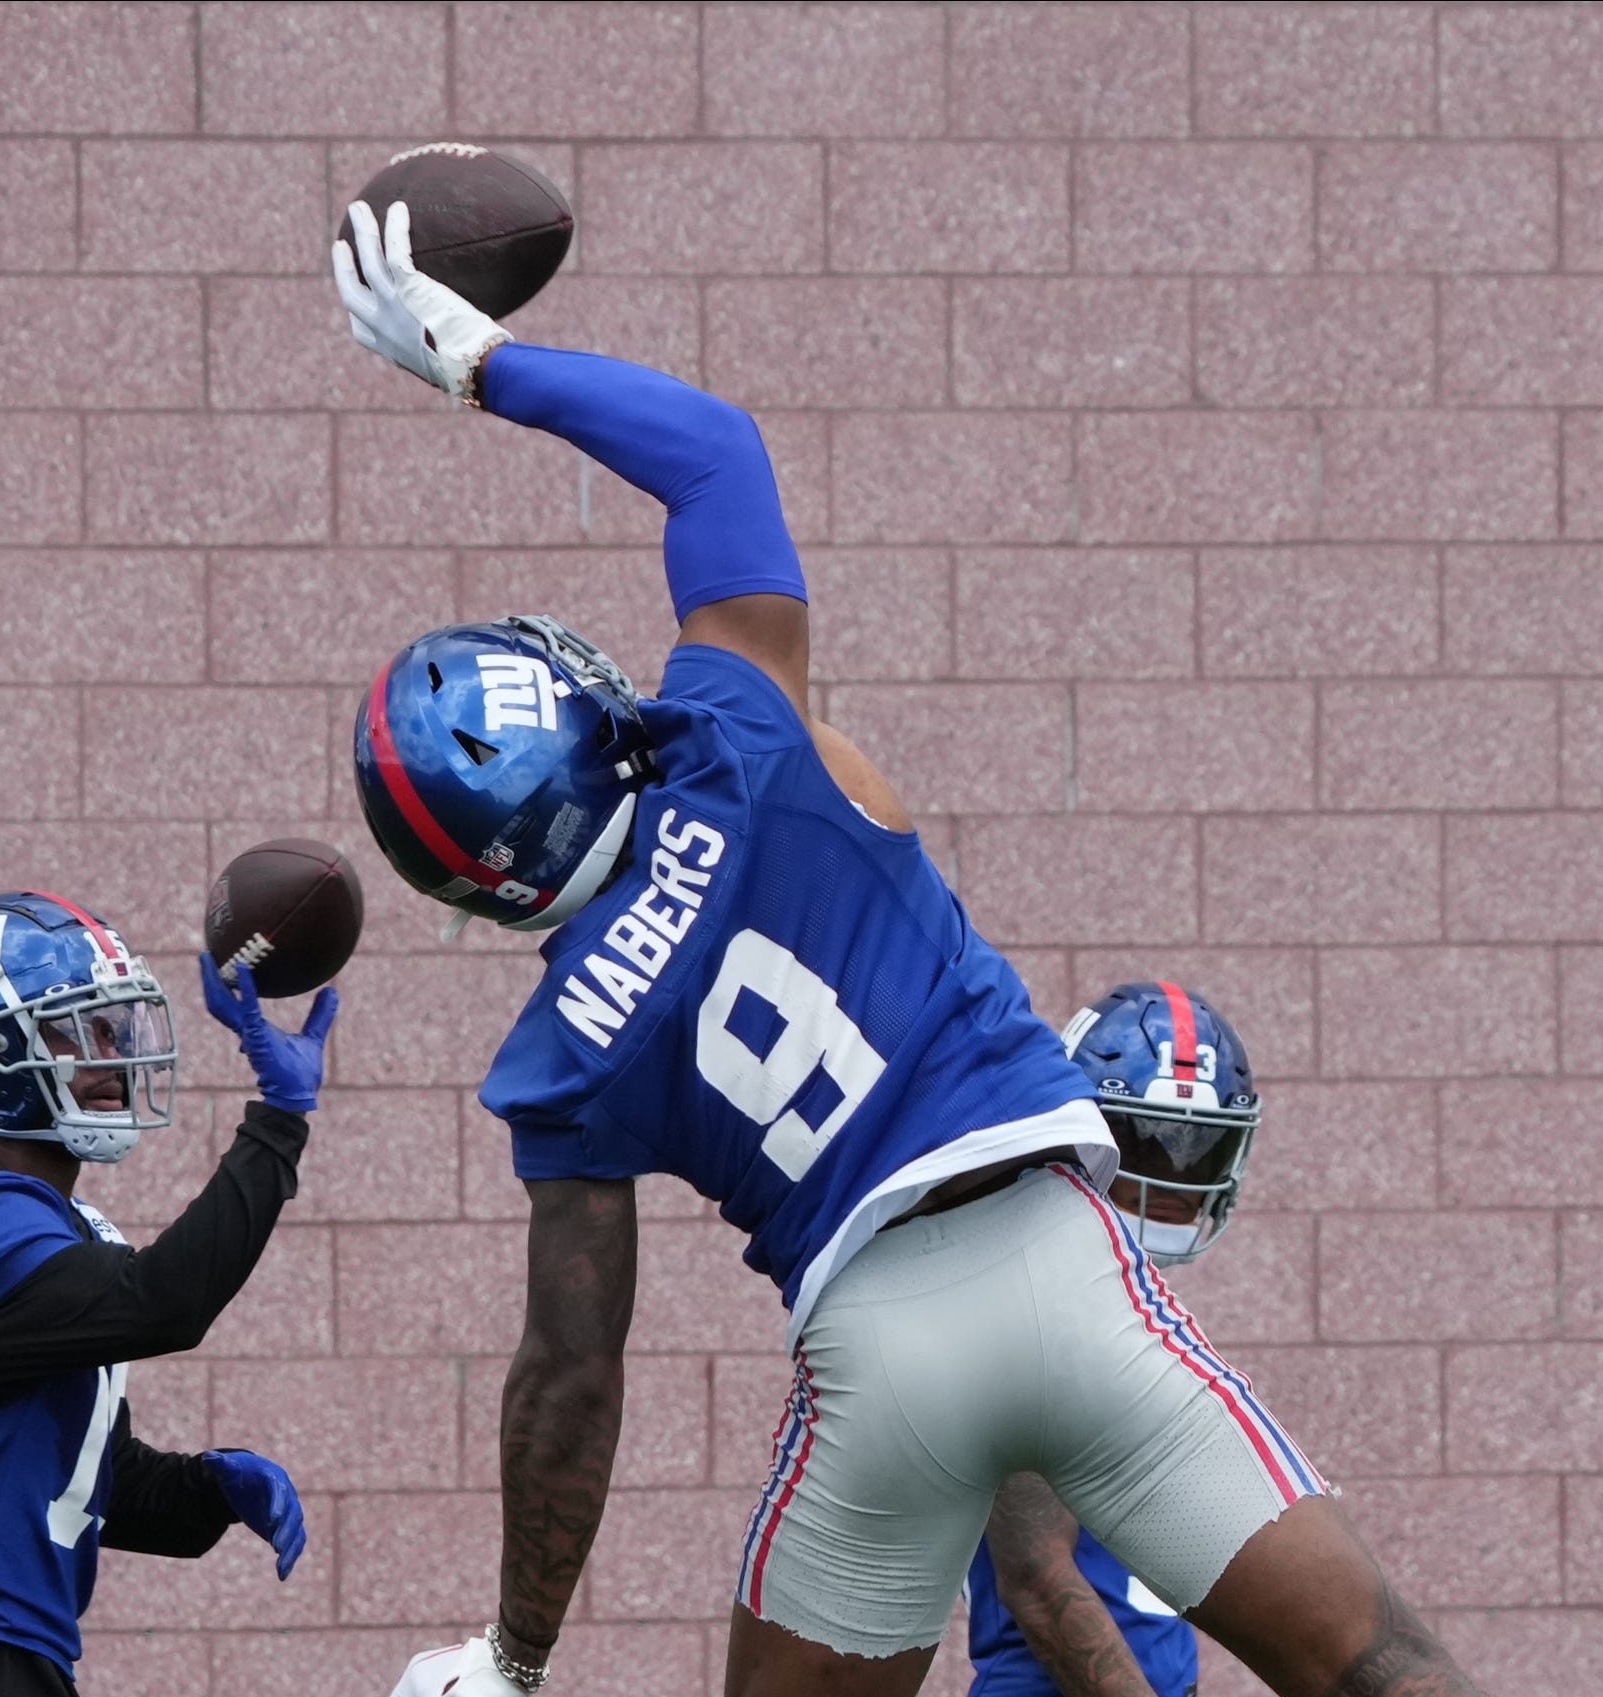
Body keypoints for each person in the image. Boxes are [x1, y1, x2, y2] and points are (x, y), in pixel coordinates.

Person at [333, 200, 1486, 1697]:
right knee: (1377, 1664)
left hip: (876, 1362)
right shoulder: (741, 736)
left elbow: (570, 1379)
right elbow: (712, 452)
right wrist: (487, 364)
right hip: (1064, 1261)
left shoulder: (560, 1062)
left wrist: (517, 1652)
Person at [0, 890, 339, 1697]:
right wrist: (277, 1125)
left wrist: (206, 1490)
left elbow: (92, 1480)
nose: (107, 1054)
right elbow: (162, 1302)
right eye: (73, 1030)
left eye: (111, 1027)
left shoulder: (60, 1230)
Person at [967, 981, 1263, 1697]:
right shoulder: (1035, 1301)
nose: (1166, 1177)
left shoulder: (1125, 1299)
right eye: (1143, 1143)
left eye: (1196, 1153)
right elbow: (1037, 1577)